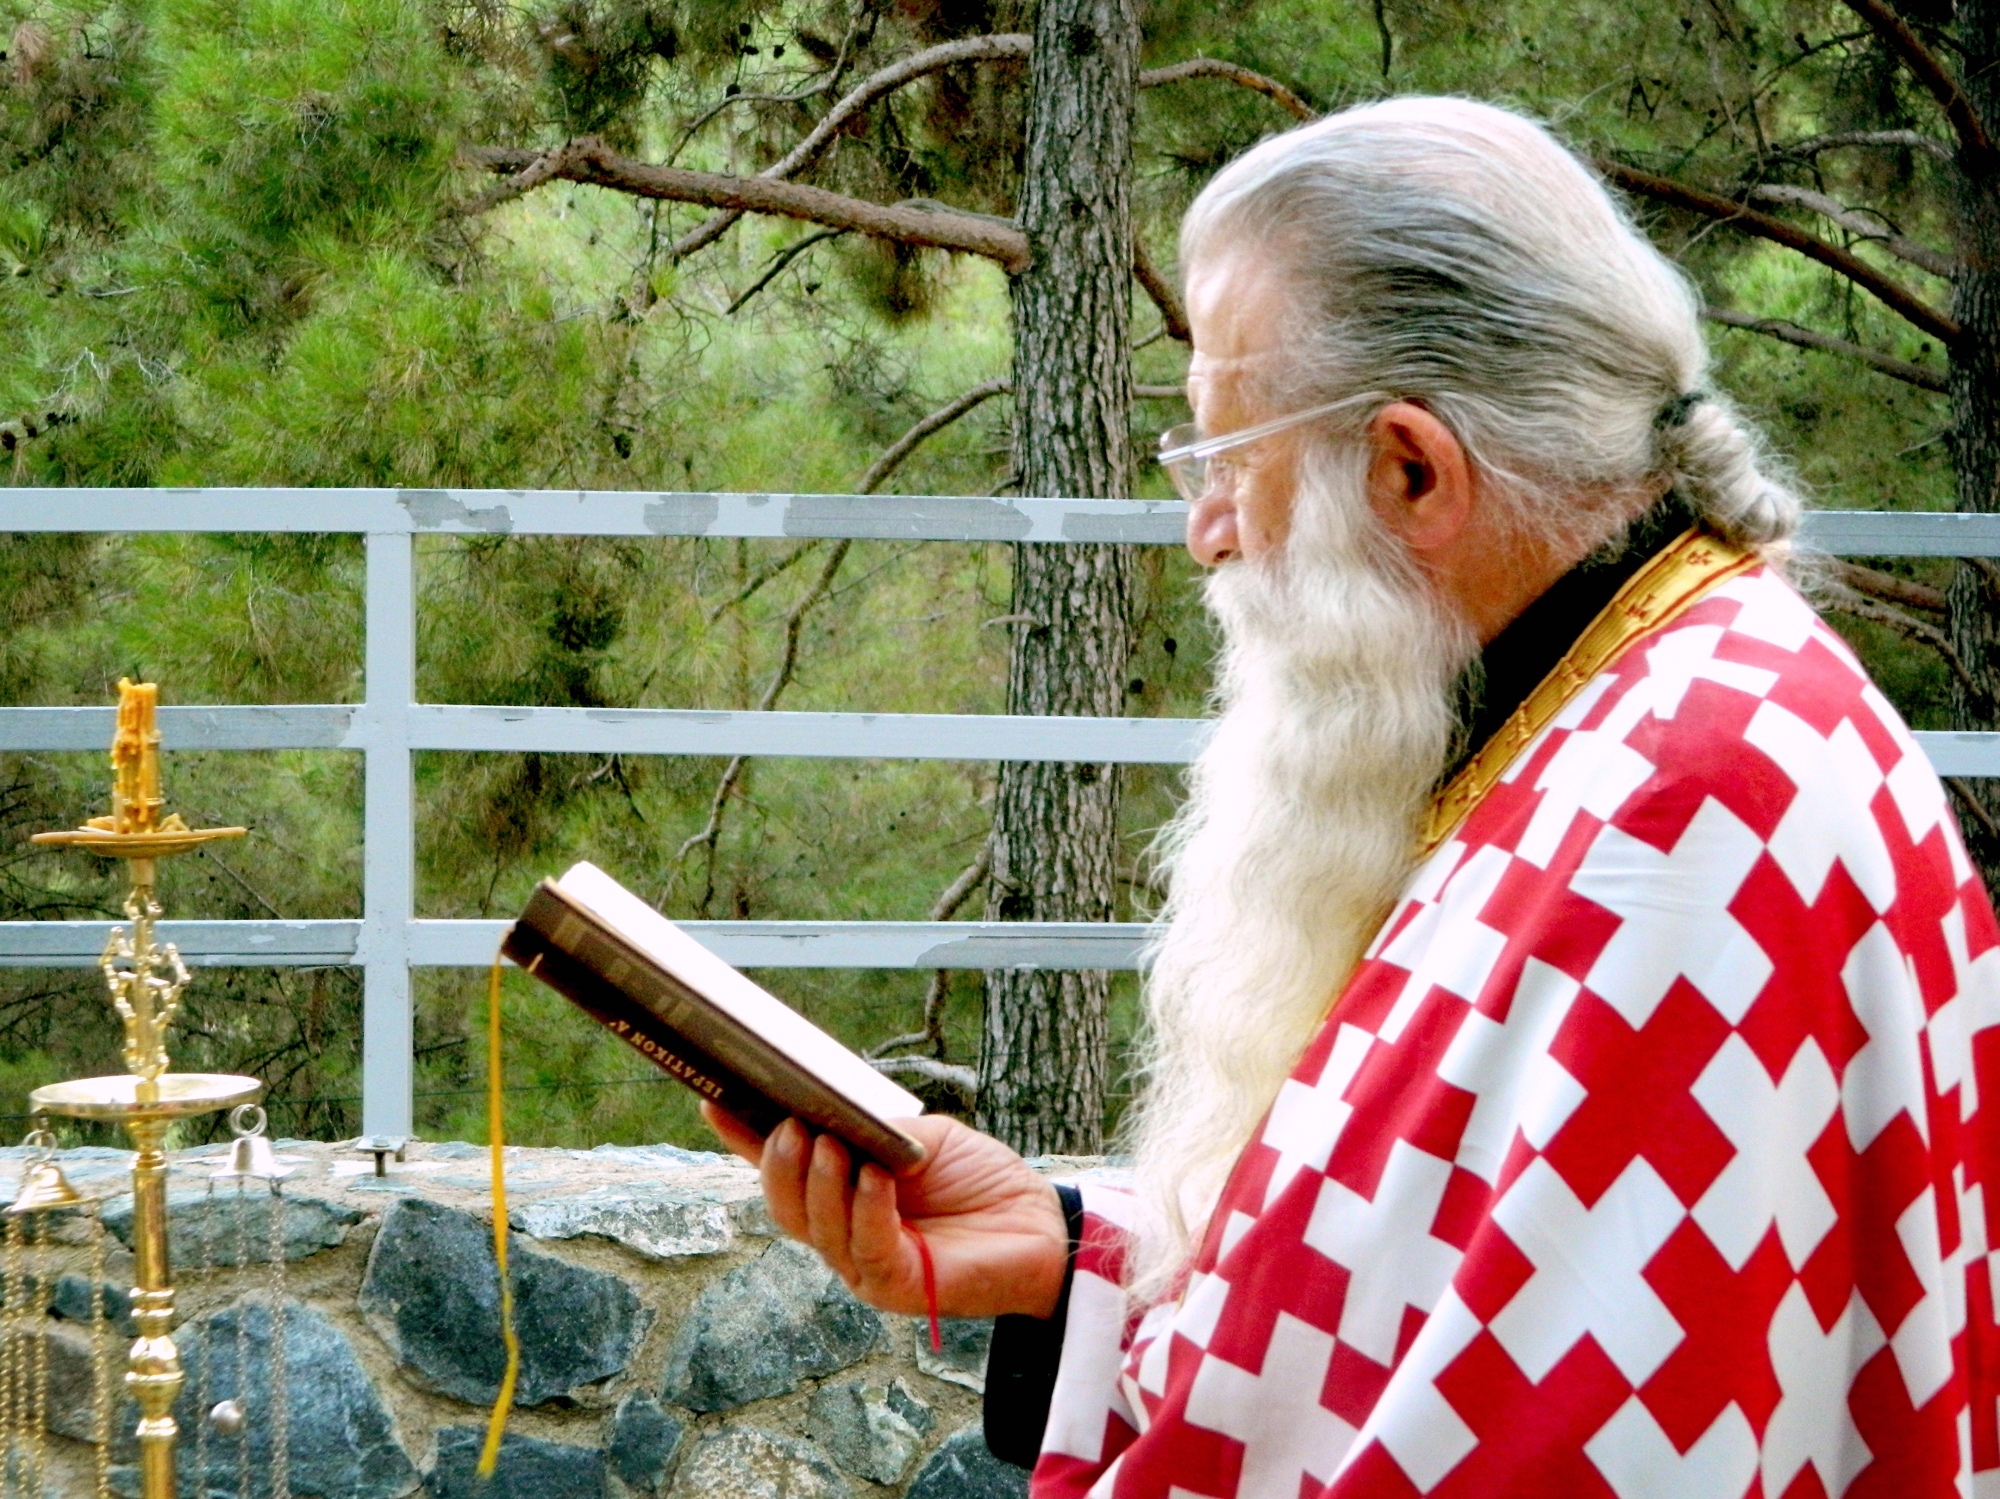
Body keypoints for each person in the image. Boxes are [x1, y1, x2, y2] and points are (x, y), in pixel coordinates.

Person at [705, 95, 2000, 1497]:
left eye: (1224, 460)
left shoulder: (1687, 817)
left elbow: (1539, 1457)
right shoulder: (1610, 707)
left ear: (1410, 468)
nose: (1203, 531)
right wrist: (1079, 1253)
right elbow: (1421, 1284)